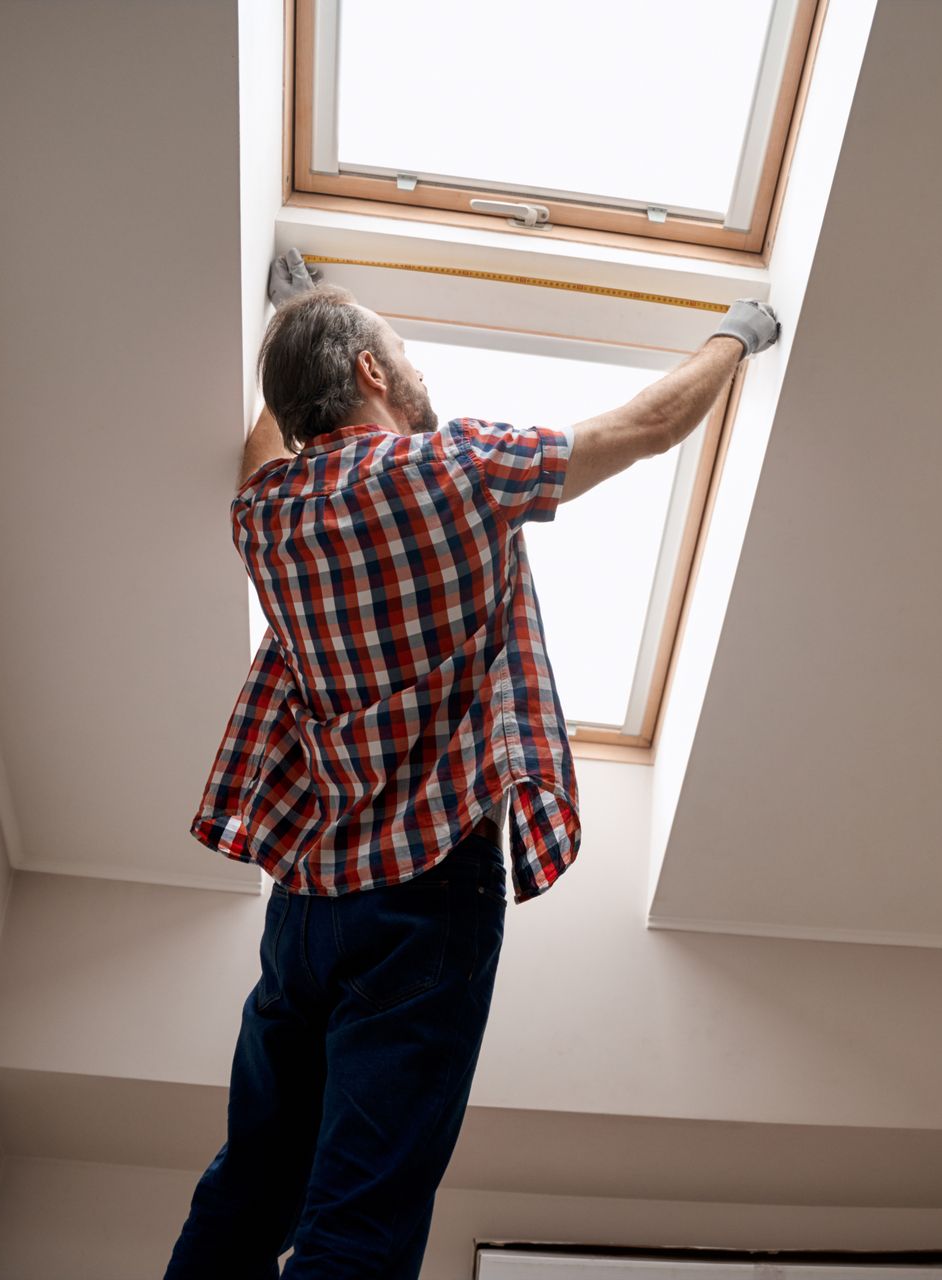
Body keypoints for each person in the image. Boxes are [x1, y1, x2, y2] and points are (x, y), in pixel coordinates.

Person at [164, 249, 780, 1278]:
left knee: (251, 1178)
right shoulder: (454, 470)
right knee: (360, 1207)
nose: (410, 365)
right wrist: (738, 333)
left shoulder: (265, 520)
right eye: (396, 348)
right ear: (368, 370)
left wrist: (295, 311)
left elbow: (260, 452)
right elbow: (644, 429)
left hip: (306, 904)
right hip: (422, 896)